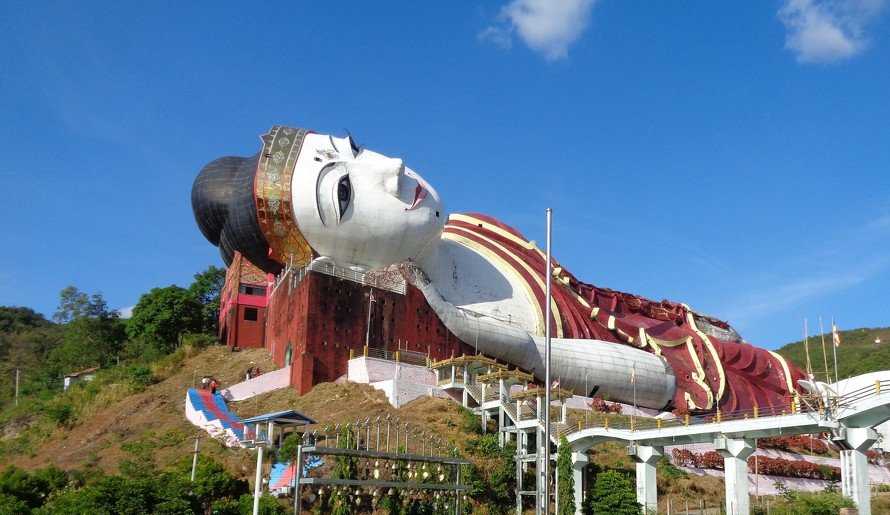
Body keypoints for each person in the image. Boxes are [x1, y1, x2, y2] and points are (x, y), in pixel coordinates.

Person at [192, 126, 805, 415]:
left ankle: (807, 386)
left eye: (352, 146)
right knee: (736, 379)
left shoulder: (477, 227)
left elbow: (595, 302)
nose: (392, 165)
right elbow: (654, 382)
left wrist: (674, 323)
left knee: (726, 344)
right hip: (672, 374)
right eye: (345, 196)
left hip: (652, 325)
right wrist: (503, 340)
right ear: (334, 258)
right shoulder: (445, 315)